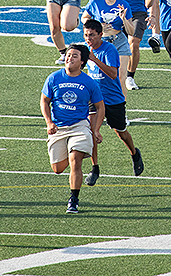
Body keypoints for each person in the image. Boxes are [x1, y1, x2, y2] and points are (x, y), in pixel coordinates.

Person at [40, 44, 104, 214]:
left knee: (75, 161)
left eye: (74, 56)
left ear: (82, 61)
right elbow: (44, 101)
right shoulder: (53, 78)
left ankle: (73, 200)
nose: (69, 58)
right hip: (58, 127)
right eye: (68, 55)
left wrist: (96, 129)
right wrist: (49, 122)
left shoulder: (89, 82)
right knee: (58, 169)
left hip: (79, 126)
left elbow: (100, 106)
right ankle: (73, 153)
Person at [80, 19, 143, 186]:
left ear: (101, 35)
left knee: (121, 132)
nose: (88, 39)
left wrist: (94, 59)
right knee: (92, 131)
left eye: (92, 35)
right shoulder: (87, 50)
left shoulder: (109, 50)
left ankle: (134, 153)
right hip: (95, 99)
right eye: (86, 35)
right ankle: (95, 168)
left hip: (113, 99)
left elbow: (113, 74)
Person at [82, 0, 136, 85]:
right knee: (95, 76)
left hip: (119, 41)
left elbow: (131, 32)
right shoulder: (95, 2)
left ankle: (122, 102)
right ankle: (94, 102)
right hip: (99, 42)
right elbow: (84, 18)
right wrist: (97, 25)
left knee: (121, 78)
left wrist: (124, 19)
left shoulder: (124, 4)